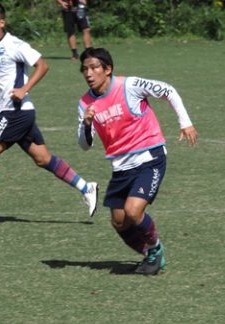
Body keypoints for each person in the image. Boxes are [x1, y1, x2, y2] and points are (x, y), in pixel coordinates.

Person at [0, 1, 98, 223]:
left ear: (1, 23)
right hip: (13, 112)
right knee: (43, 159)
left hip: (15, 112)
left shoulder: (15, 45)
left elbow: (42, 65)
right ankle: (86, 187)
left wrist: (25, 89)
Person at [76, 47, 198, 275]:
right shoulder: (85, 104)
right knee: (119, 222)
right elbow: (85, 145)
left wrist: (186, 123)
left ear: (107, 69)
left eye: (94, 68)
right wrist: (87, 123)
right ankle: (150, 254)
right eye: (85, 69)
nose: (89, 73)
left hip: (149, 157)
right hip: (120, 166)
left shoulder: (129, 85)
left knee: (133, 211)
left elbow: (168, 90)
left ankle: (155, 249)